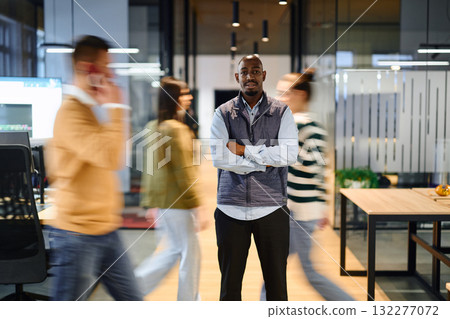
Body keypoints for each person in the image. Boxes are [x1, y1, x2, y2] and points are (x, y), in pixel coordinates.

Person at [46, 35, 142, 301]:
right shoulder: (70, 113)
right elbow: (112, 158)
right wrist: (116, 104)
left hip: (104, 229)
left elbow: (113, 153)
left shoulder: (90, 112)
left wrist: (111, 108)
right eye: (106, 66)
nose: (111, 74)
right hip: (77, 234)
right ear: (89, 69)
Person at [210, 55, 299, 301]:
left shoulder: (282, 112)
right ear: (238, 76)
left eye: (256, 70)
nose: (250, 76)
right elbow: (219, 158)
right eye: (245, 71)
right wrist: (262, 163)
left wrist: (243, 150)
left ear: (263, 75)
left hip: (272, 209)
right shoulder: (223, 113)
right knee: (229, 289)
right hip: (230, 209)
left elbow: (290, 154)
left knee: (277, 288)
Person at [260, 72, 354, 301]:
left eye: (284, 93)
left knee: (308, 273)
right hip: (300, 210)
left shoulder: (302, 125)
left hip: (298, 213)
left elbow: (302, 165)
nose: (278, 98)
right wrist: (321, 205)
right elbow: (318, 169)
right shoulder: (307, 125)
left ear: (299, 94)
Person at [135, 78, 206, 301]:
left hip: (165, 204)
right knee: (188, 255)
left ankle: (133, 288)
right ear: (174, 99)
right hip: (179, 204)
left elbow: (150, 170)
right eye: (184, 93)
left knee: (174, 251)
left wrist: (150, 202)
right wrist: (198, 204)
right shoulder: (178, 130)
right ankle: (134, 288)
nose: (189, 97)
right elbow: (185, 173)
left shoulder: (152, 127)